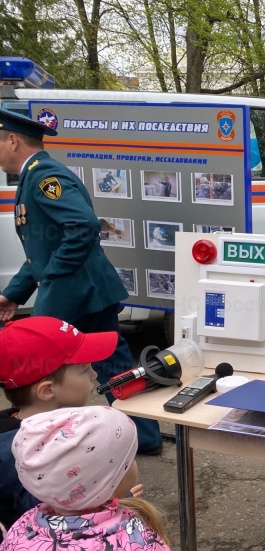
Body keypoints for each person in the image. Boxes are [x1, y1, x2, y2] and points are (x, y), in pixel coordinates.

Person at [0, 108, 161, 453]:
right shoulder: (36, 175)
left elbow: (83, 227)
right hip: (86, 291)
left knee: (41, 368)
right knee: (114, 364)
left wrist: (55, 278)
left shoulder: (45, 177)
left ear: (12, 140)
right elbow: (44, 248)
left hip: (73, 291)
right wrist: (13, 294)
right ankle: (143, 437)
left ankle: (47, 445)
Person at [0, 405, 194, 551]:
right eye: (128, 460)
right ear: (105, 482)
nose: (134, 464)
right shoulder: (136, 541)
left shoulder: (19, 530)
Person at [0, 316, 137, 535]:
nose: (94, 375)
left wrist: (113, 491)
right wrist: (118, 501)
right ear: (47, 390)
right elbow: (62, 522)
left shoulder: (13, 429)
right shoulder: (22, 455)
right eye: (84, 370)